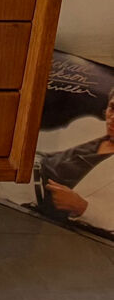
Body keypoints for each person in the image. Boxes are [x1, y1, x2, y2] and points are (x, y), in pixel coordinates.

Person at [41, 91, 114, 233]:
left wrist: (82, 207)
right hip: (24, 177)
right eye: (113, 108)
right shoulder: (90, 125)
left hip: (46, 214)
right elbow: (42, 141)